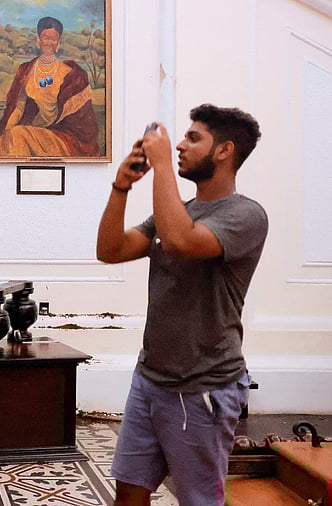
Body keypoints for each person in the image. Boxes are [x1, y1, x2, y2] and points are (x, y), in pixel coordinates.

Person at [96, 104, 267, 506]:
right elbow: (110, 249)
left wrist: (160, 168)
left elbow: (182, 242)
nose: (180, 146)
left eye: (194, 138)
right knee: (129, 493)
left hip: (202, 389)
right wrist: (121, 187)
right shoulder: (177, 212)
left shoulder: (246, 214)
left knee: (199, 500)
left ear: (224, 151)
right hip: (150, 380)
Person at [0, 16, 100, 157]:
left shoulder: (70, 74)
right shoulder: (26, 70)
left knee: (18, 136)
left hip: (62, 136)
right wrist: (7, 130)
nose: (49, 43)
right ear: (38, 41)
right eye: (46, 38)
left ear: (58, 43)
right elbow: (19, 108)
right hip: (32, 131)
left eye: (54, 39)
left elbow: (82, 124)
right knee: (7, 140)